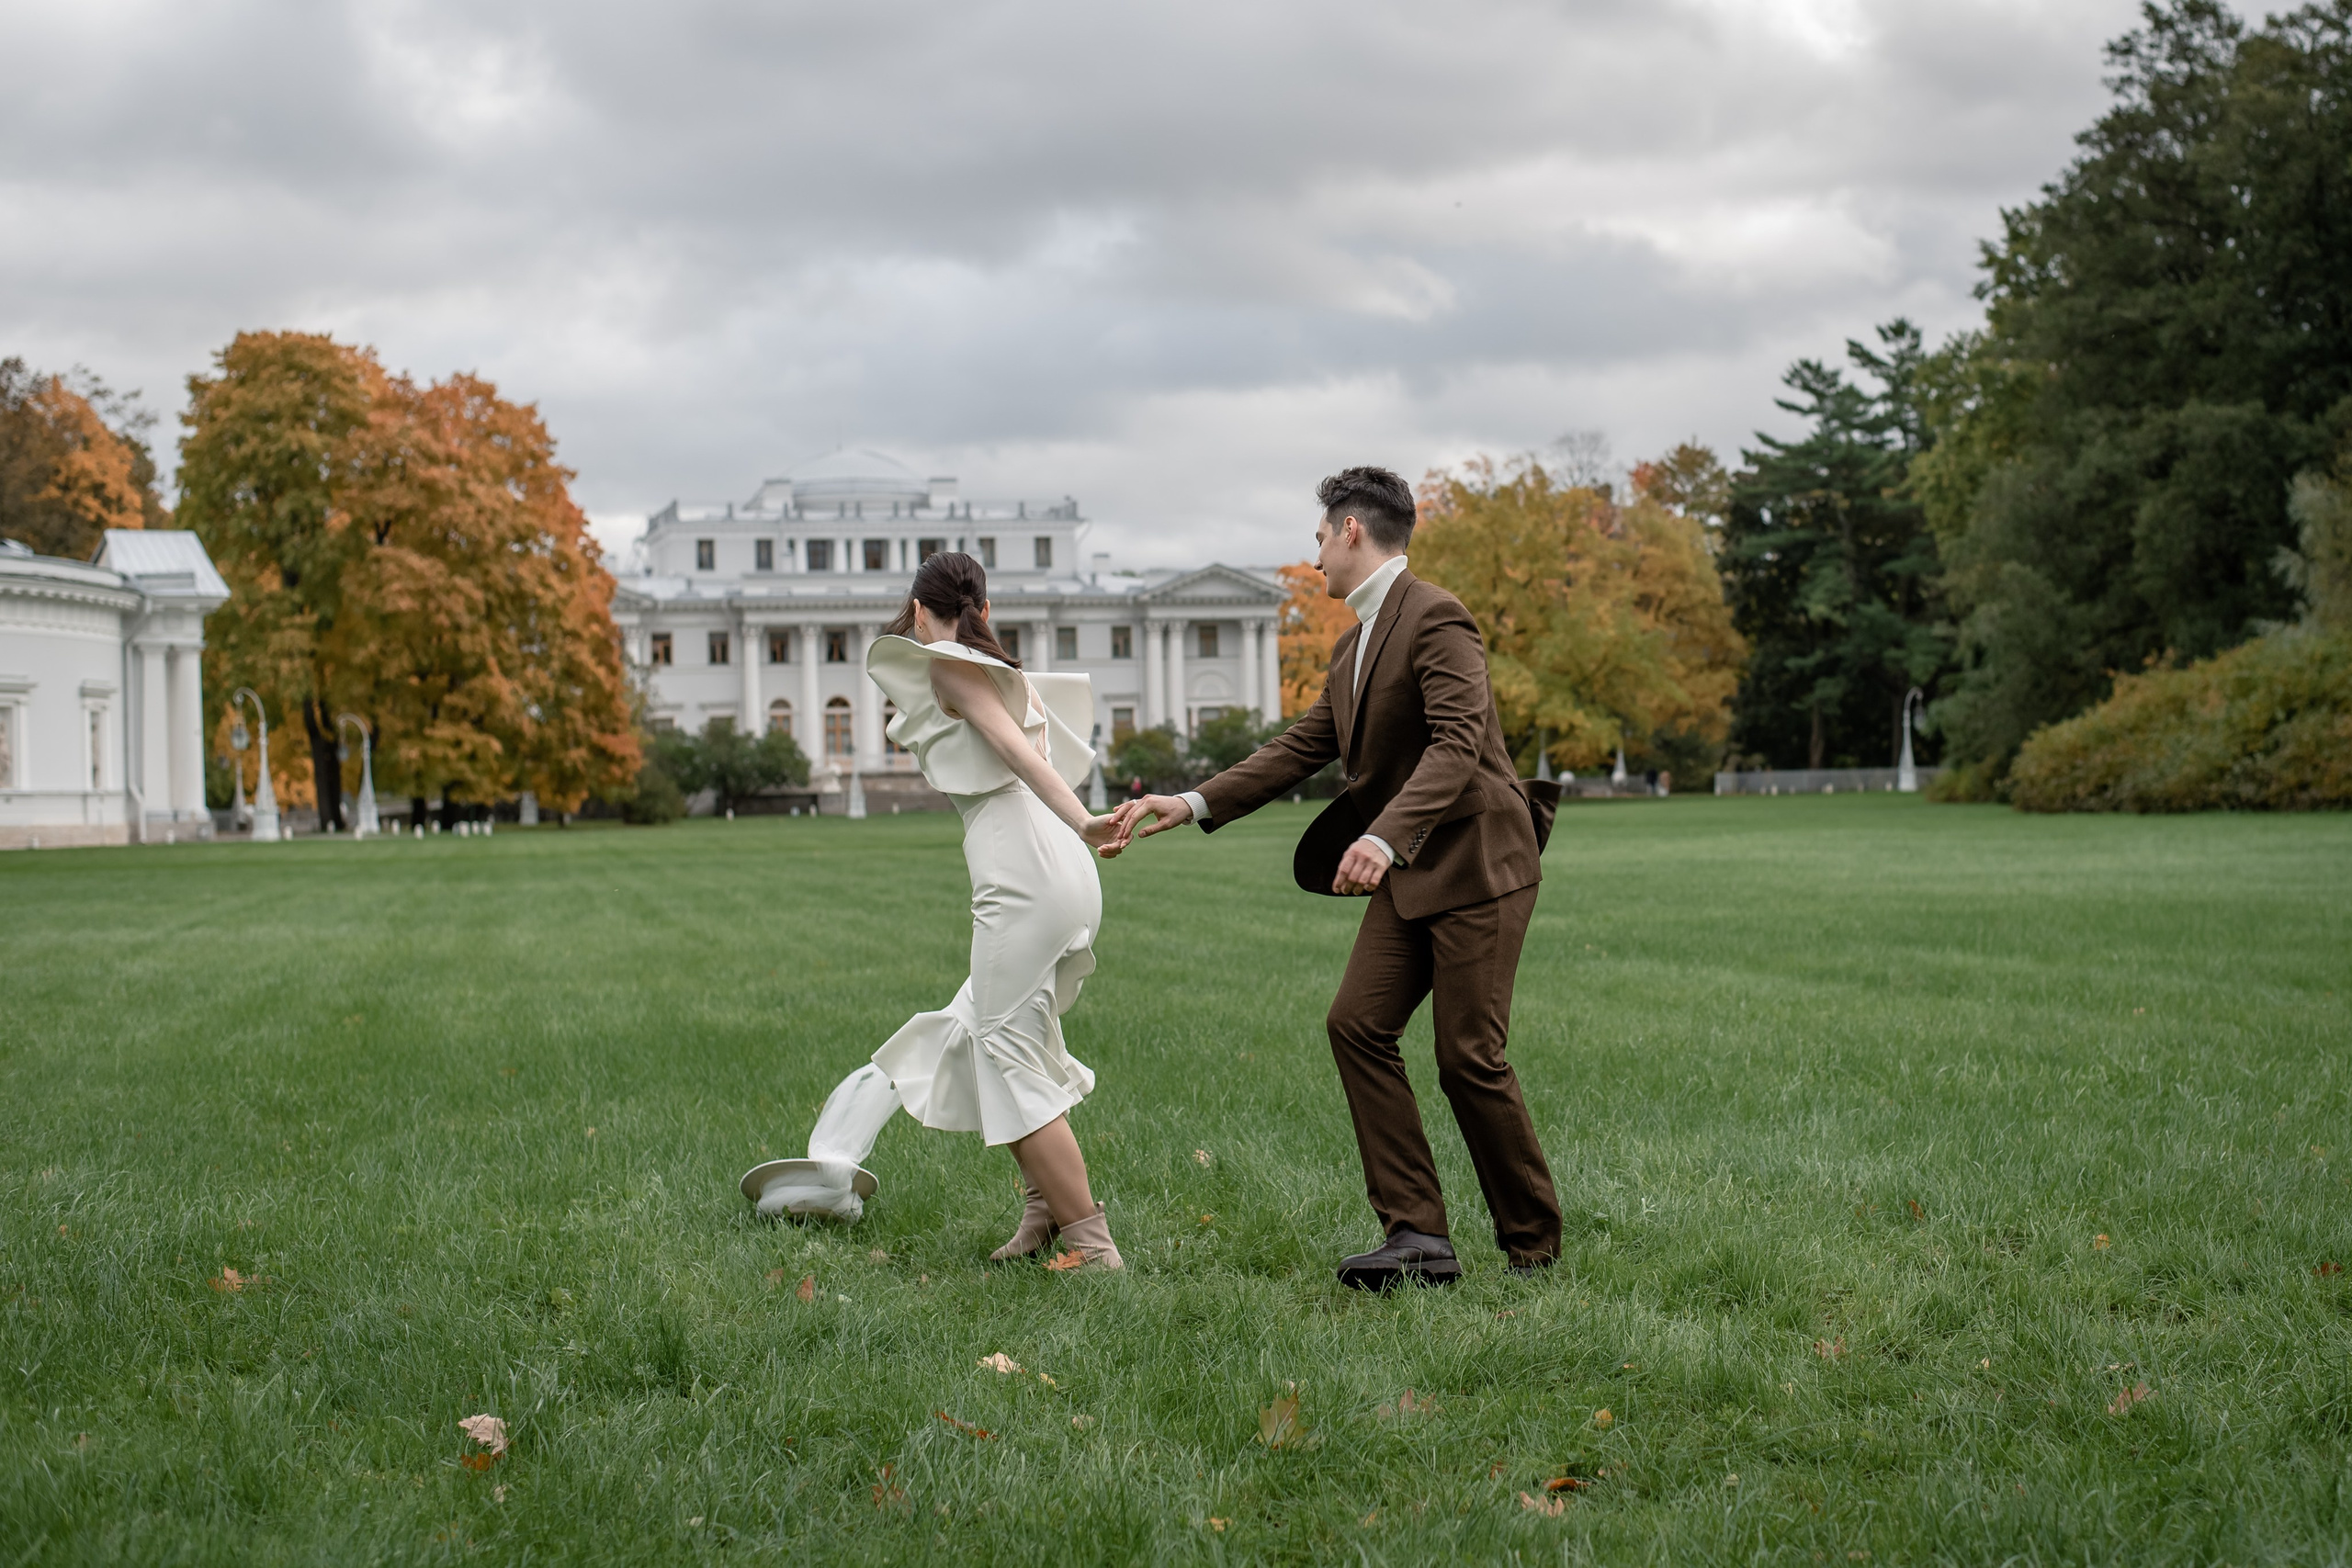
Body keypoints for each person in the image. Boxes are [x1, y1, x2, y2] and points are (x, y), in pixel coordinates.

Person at [1113, 466, 1562, 1289]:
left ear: (1352, 529)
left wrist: (1386, 837)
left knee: (1468, 1056)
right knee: (1356, 1024)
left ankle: (1534, 1244)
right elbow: (1299, 746)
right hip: (1412, 865)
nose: (1314, 553)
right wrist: (1192, 801)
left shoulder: (1437, 616)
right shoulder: (1353, 643)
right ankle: (1418, 1237)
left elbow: (1458, 744)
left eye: (1320, 535)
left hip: (1477, 860)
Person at [858, 551, 1132, 1269]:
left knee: (1003, 1044)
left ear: (920, 610)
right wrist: (1077, 830)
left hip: (1026, 868)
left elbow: (1014, 752)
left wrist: (1086, 821)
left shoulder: (952, 665)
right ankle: (1045, 1207)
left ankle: (1093, 1247)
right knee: (992, 1036)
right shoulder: (1004, 668)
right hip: (1053, 866)